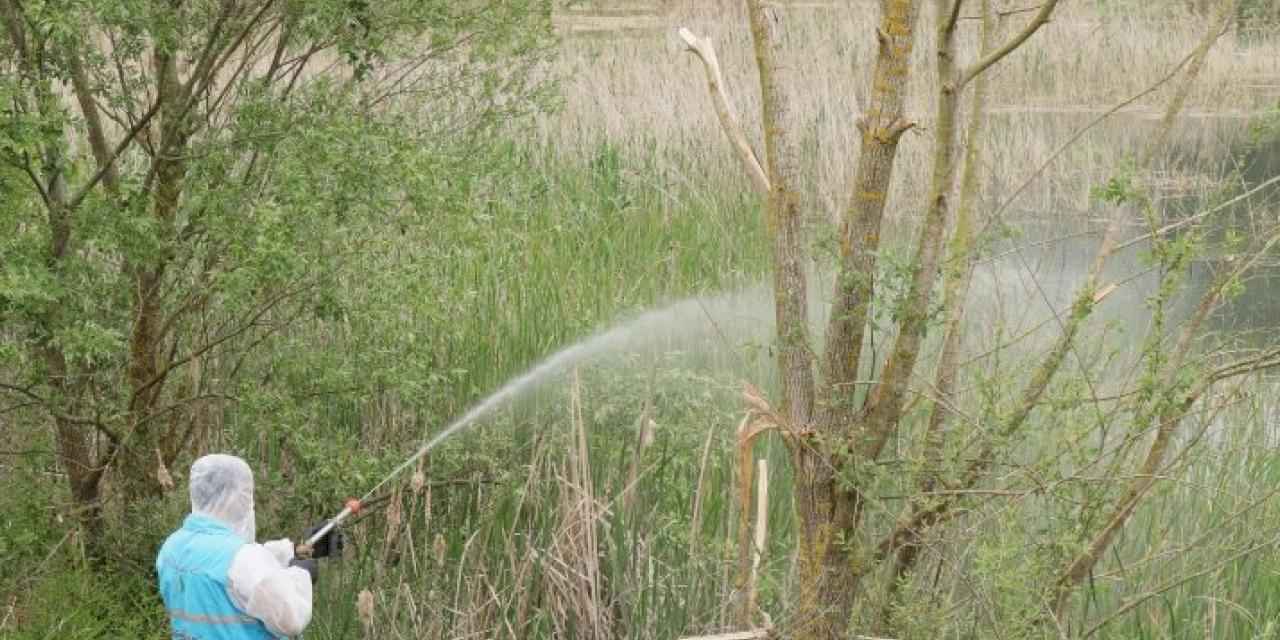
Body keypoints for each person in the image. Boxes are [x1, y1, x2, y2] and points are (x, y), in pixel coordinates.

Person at [156, 454, 340, 639]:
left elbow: (227, 566)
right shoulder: (244, 560)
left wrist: (292, 550)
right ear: (239, 497)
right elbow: (290, 619)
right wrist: (301, 574)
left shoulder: (172, 547)